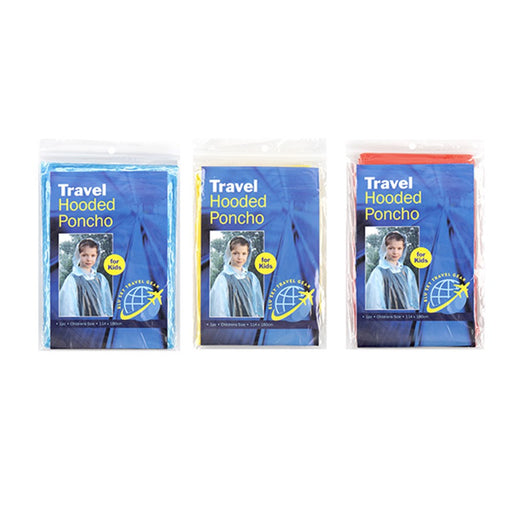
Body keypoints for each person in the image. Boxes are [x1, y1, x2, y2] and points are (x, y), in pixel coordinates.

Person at [210, 236, 264, 317]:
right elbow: (219, 310)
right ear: (229, 254)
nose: (240, 257)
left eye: (244, 253)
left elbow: (258, 305)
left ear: (248, 254)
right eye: (235, 253)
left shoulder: (252, 278)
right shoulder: (222, 279)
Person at [59, 238, 113, 317]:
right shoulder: (72, 280)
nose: (89, 259)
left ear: (97, 256)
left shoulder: (101, 279)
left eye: (93, 255)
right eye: (84, 255)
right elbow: (68, 309)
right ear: (78, 256)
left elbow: (107, 305)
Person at [365, 231, 419, 310]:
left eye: (399, 248)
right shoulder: (378, 273)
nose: (395, 252)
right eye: (391, 248)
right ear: (385, 249)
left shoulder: (407, 272)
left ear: (403, 249)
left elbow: (414, 298)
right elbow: (374, 302)